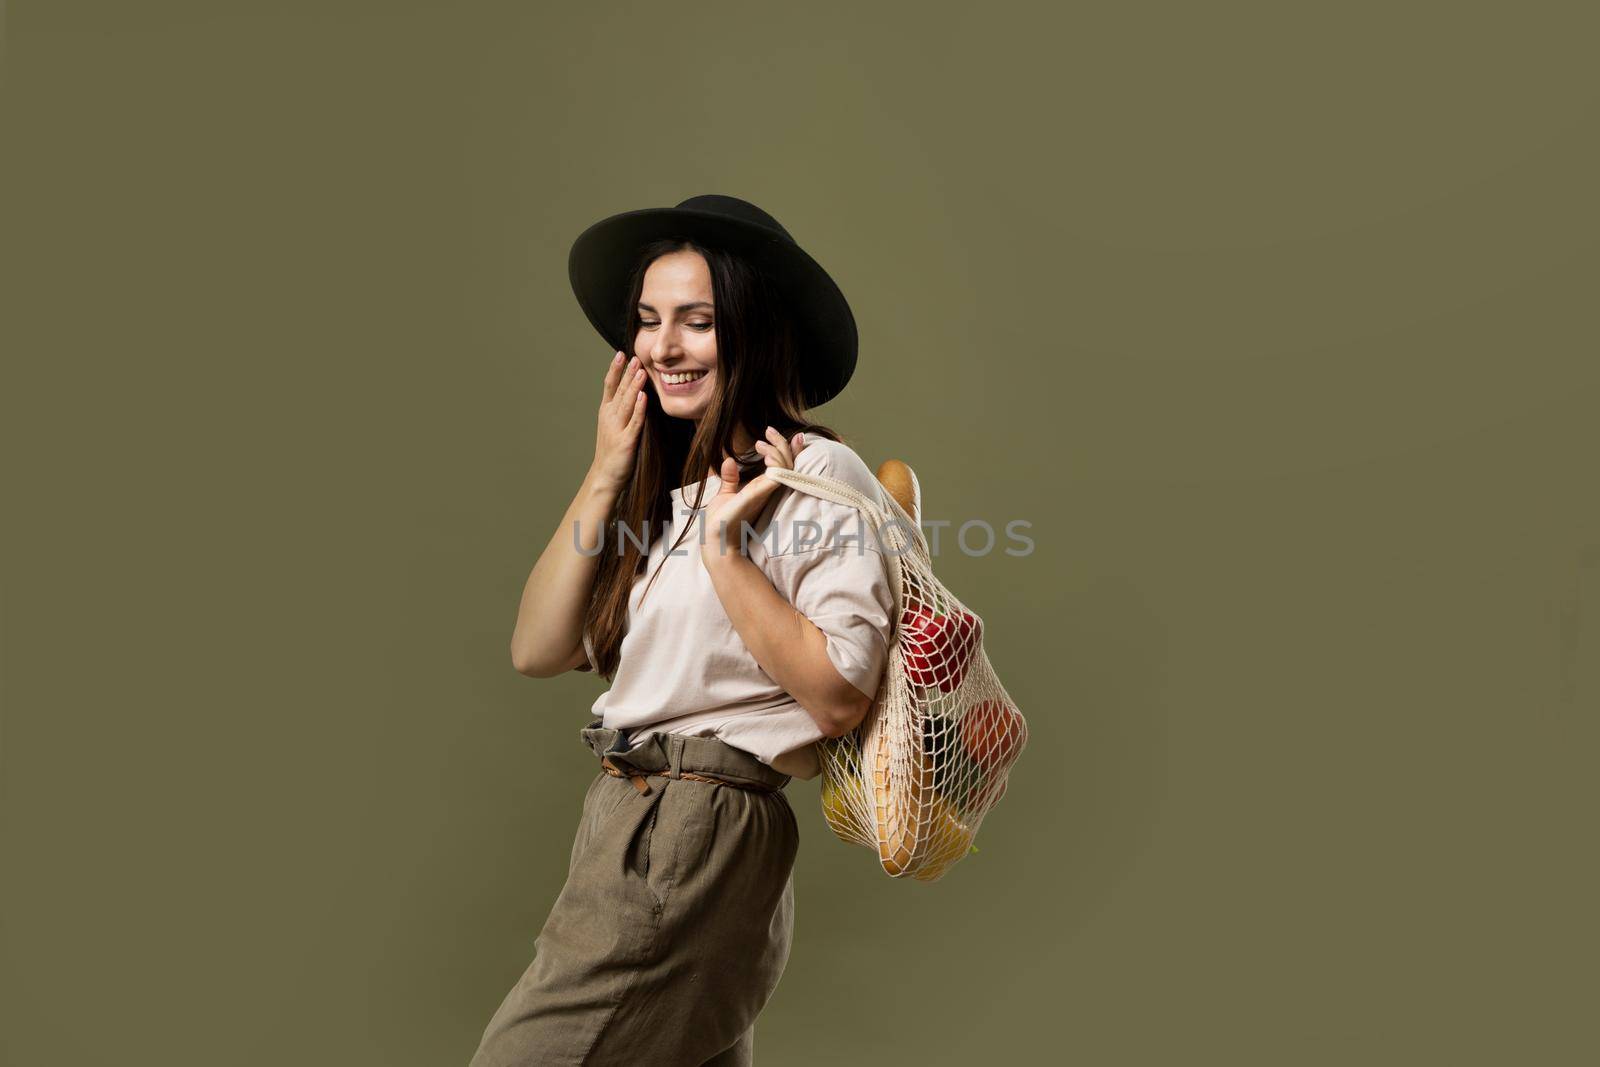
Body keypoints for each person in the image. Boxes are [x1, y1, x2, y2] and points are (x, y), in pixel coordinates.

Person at [469, 195, 898, 1066]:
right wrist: (604, 473)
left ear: (752, 330)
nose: (664, 347)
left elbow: (840, 692)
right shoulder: (673, 498)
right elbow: (537, 648)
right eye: (648, 321)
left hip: (695, 821)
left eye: (697, 322)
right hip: (634, 812)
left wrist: (728, 557)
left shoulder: (815, 476)